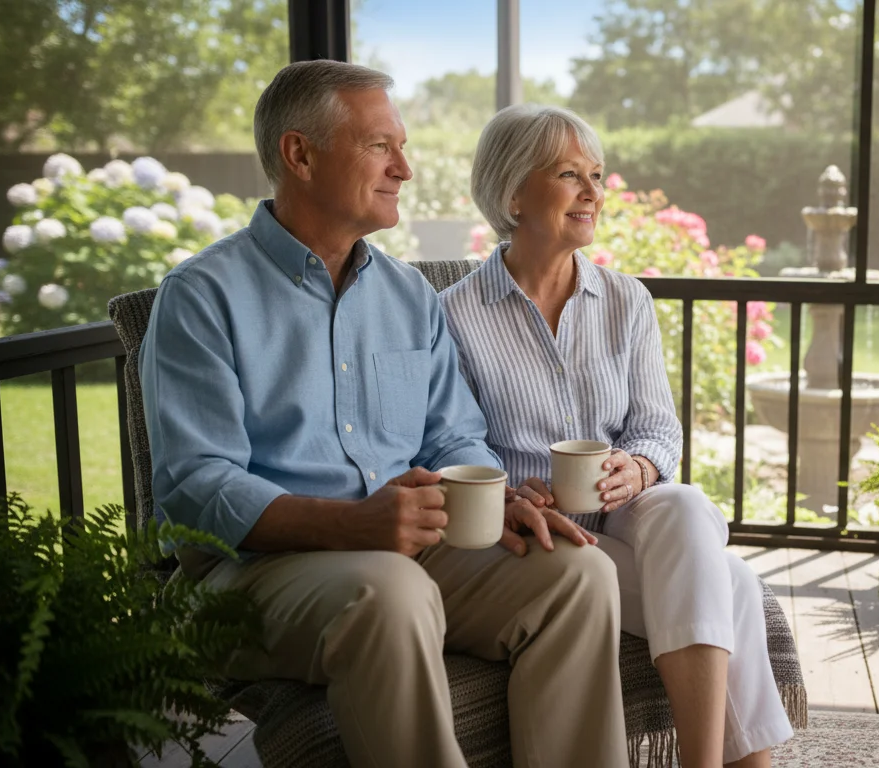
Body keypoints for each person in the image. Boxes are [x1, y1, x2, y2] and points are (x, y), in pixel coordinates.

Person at [140, 61, 628, 768]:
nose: (405, 167)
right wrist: (352, 523)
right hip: (253, 577)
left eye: (402, 146)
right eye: (380, 146)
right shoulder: (201, 296)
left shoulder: (408, 296)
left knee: (578, 576)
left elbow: (454, 434)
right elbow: (194, 484)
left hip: (406, 554)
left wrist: (499, 498)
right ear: (299, 155)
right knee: (390, 590)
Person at [441, 103, 794, 768]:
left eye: (597, 175)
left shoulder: (626, 300)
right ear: (513, 191)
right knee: (733, 584)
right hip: (541, 540)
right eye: (569, 174)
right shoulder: (454, 315)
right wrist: (513, 492)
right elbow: (453, 440)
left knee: (685, 503)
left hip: (629, 515)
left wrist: (640, 466)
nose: (593, 191)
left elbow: (657, 427)